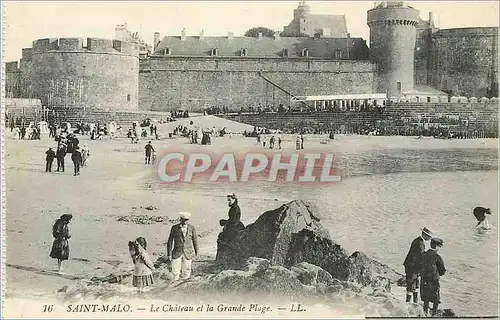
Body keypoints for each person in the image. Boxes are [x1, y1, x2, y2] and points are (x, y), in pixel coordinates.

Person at [403, 227, 434, 303]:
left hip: (414, 267)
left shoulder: (418, 241)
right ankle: (408, 303)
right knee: (411, 285)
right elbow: (422, 255)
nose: (429, 238)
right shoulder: (419, 243)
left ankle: (414, 302)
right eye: (429, 237)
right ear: (424, 235)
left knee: (416, 284)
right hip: (412, 267)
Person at [167, 212, 198, 281]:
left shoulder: (192, 228)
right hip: (177, 252)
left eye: (186, 220)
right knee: (175, 270)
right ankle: (174, 284)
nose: (185, 222)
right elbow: (170, 241)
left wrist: (197, 252)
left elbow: (195, 241)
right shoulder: (174, 228)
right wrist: (169, 254)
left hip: (188, 252)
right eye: (183, 220)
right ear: (180, 219)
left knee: (187, 269)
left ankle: (184, 285)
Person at [421, 238, 446, 316]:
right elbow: (442, 271)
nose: (439, 248)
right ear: (436, 246)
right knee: (436, 299)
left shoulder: (423, 254)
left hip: (424, 280)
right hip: (433, 281)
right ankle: (433, 315)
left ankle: (425, 313)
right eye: (439, 246)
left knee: (426, 299)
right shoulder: (437, 257)